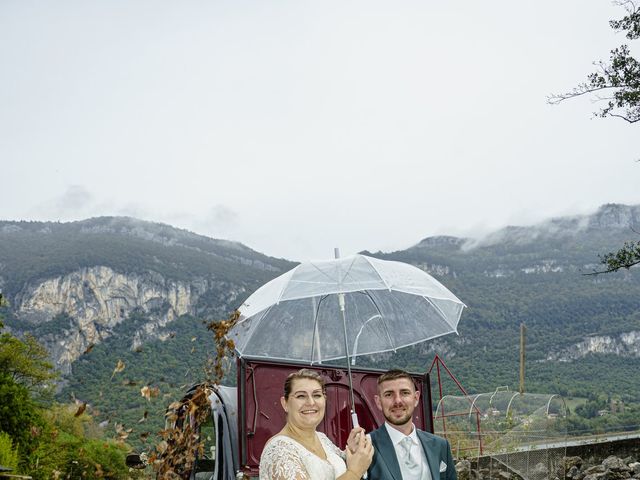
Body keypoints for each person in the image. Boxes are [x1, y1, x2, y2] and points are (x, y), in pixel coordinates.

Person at [259, 368, 373, 480]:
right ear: (285, 404)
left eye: (317, 395)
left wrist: (353, 451)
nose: (311, 402)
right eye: (301, 396)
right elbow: (351, 473)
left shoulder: (321, 438)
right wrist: (354, 472)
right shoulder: (279, 451)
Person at [367, 369, 457, 480]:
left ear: (416, 398)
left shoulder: (440, 445)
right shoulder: (366, 447)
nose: (398, 401)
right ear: (378, 402)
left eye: (405, 393)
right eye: (389, 394)